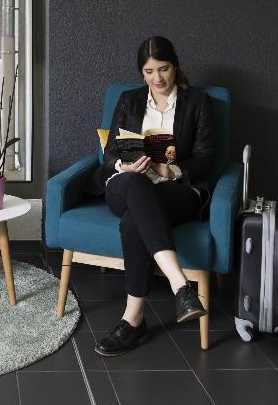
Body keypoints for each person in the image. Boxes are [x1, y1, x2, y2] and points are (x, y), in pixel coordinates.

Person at [83, 36, 214, 356]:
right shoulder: (129, 100)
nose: (157, 78)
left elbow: (206, 158)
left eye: (164, 69)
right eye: (149, 71)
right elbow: (110, 153)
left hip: (174, 189)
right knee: (137, 184)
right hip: (126, 184)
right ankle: (181, 286)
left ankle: (133, 320)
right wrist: (125, 165)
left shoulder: (197, 102)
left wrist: (171, 170)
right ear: (141, 72)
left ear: (175, 66)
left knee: (134, 221)